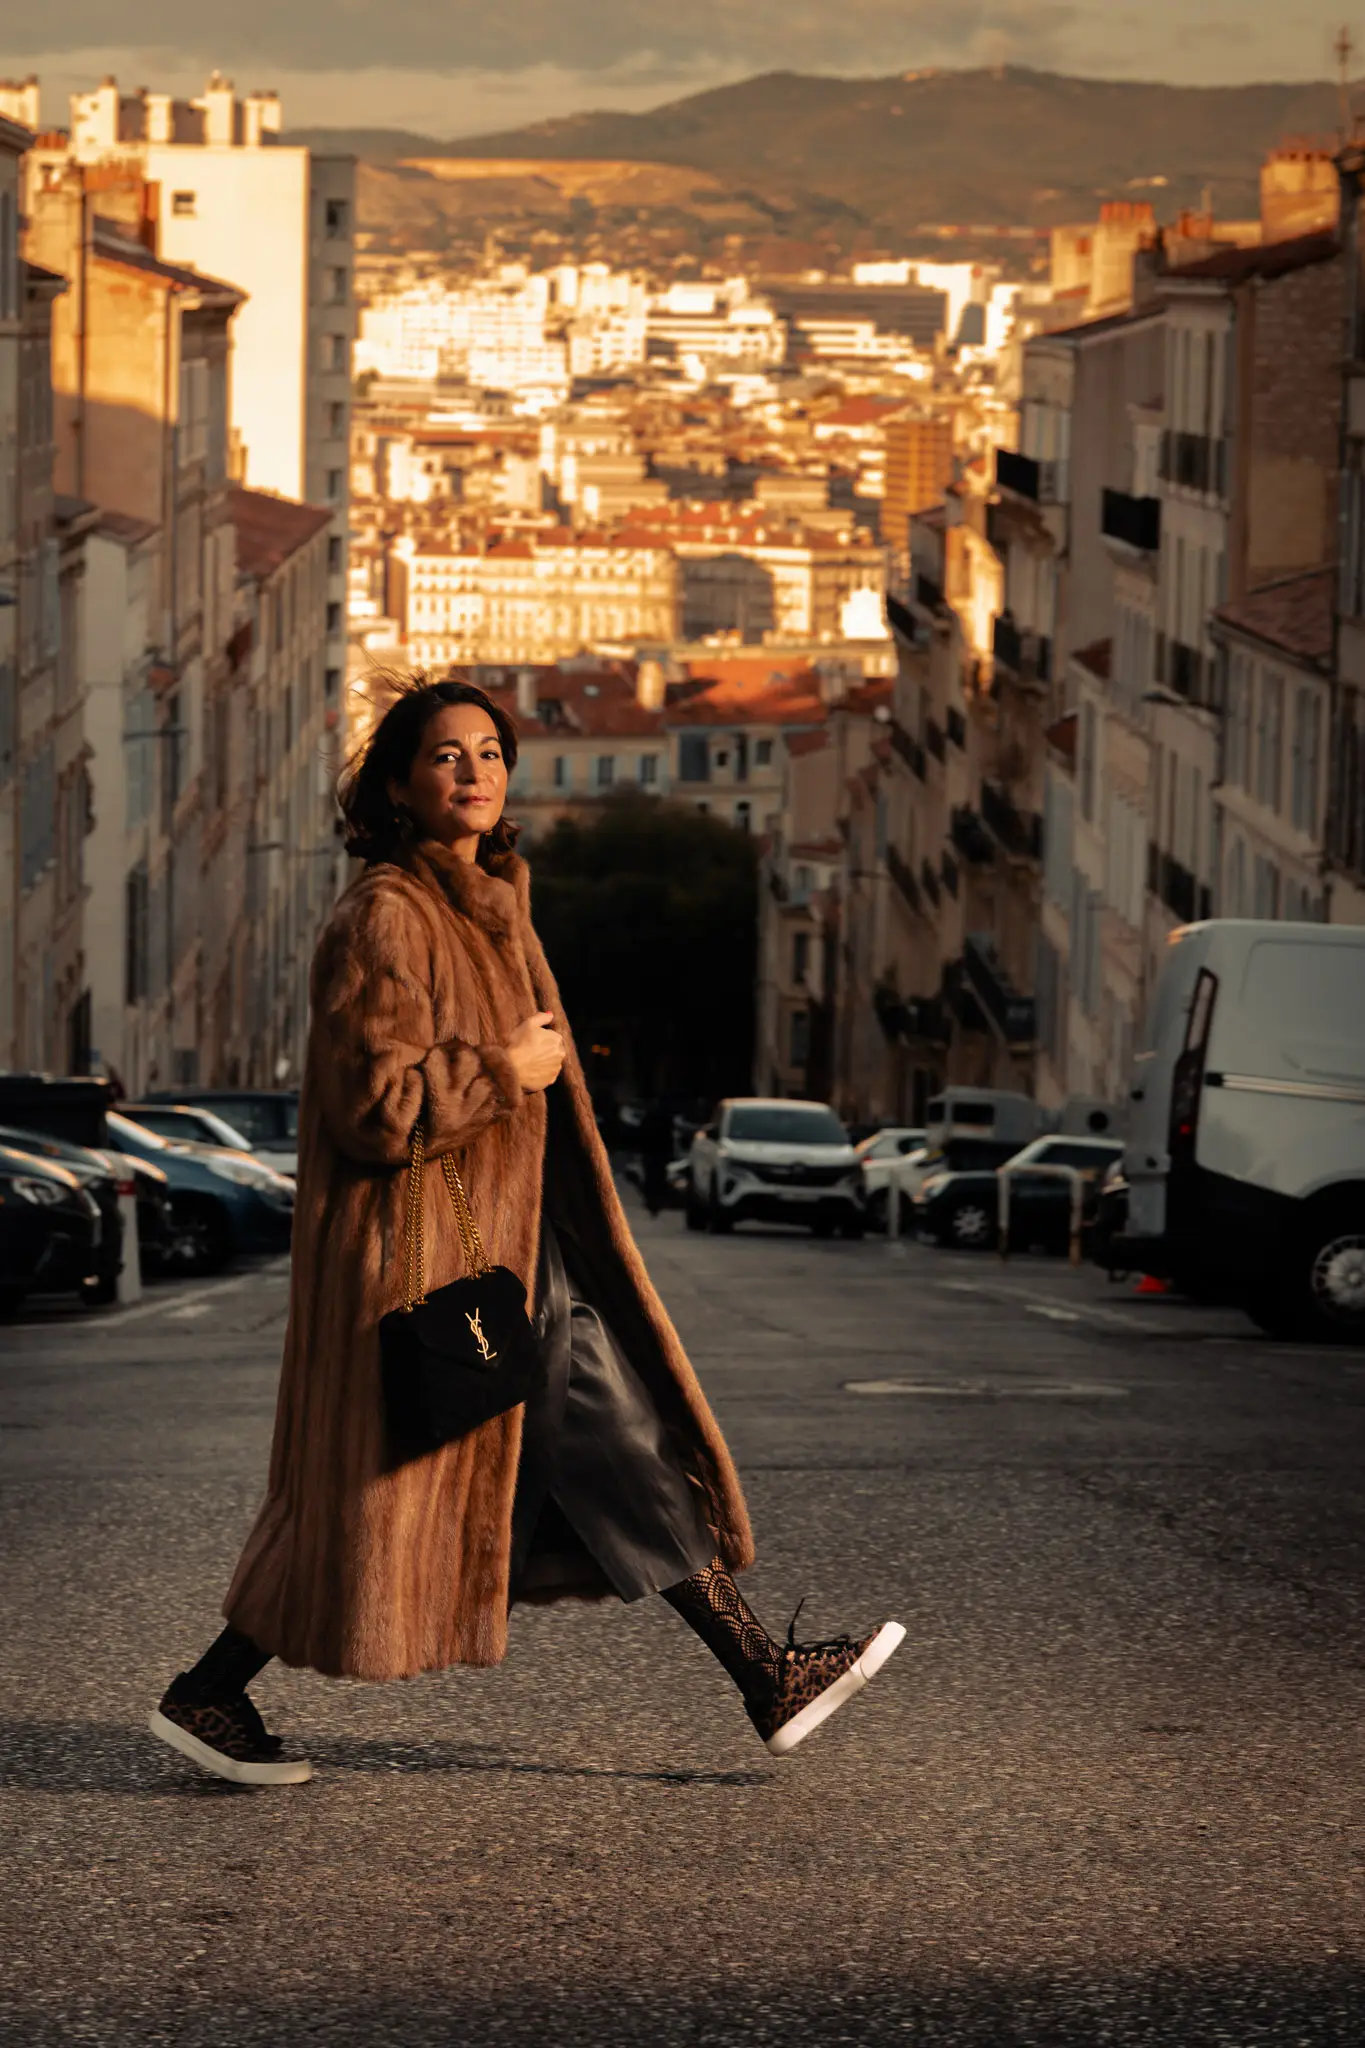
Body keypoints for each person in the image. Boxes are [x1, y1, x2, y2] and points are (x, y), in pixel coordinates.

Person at [148, 677, 903, 1787]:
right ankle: (763, 1671)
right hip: (428, 1254)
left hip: (500, 1247)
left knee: (505, 1461)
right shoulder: (389, 914)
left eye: (491, 750)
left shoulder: (486, 899)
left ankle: (212, 1691)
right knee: (446, 1471)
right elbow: (374, 1108)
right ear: (399, 784)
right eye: (446, 755)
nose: (476, 770)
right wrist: (506, 1069)